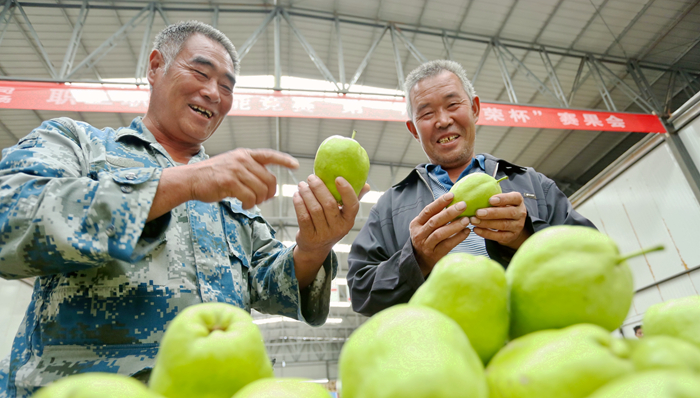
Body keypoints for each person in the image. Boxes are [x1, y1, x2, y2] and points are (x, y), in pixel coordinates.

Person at [0, 21, 366, 398]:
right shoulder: (80, 145)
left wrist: (313, 247)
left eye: (227, 87)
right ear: (156, 66)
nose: (213, 94)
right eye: (200, 72)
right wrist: (181, 183)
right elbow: (11, 215)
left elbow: (271, 282)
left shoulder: (230, 196)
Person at [347, 60, 595, 317]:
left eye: (453, 105)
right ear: (413, 129)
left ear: (475, 108)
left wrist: (525, 237)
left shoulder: (532, 184)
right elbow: (361, 292)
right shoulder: (389, 206)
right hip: (439, 348)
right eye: (426, 113)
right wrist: (416, 260)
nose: (443, 121)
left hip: (533, 341)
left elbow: (592, 259)